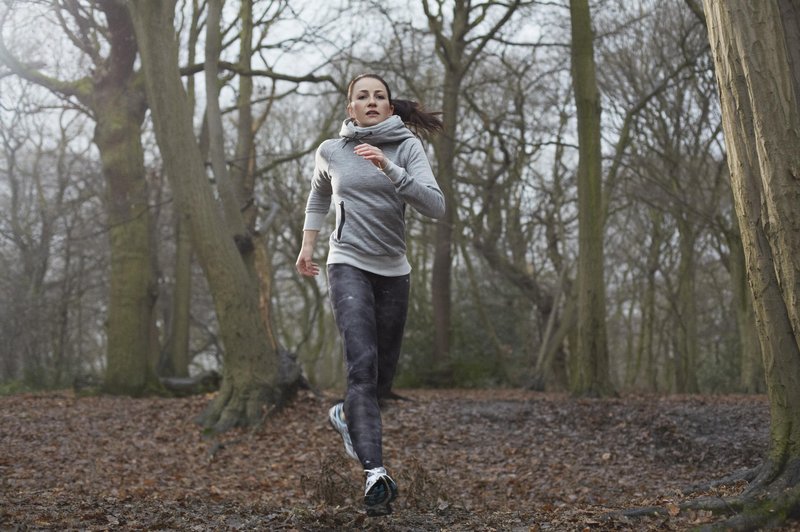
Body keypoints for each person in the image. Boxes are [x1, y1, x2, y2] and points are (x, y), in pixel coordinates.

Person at [296, 73, 445, 516]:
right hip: (347, 264)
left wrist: (389, 168)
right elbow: (318, 196)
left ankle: (346, 415)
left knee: (380, 381)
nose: (372, 101)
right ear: (351, 108)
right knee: (361, 368)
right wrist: (307, 247)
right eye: (363, 96)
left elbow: (435, 205)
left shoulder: (407, 148)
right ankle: (375, 475)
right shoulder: (331, 151)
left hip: (394, 270)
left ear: (390, 106)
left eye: (379, 95)